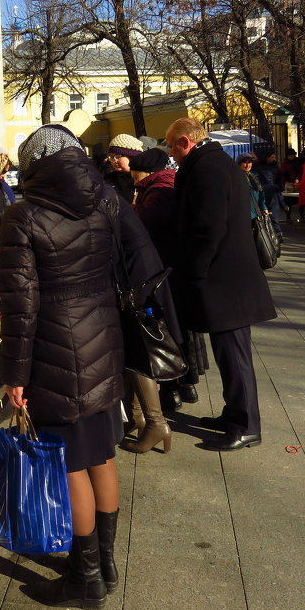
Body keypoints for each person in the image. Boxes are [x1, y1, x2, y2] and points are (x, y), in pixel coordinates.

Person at [0, 124, 166, 609]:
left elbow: (20, 305)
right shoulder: (106, 200)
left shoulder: (23, 215)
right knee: (100, 452)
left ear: (31, 167)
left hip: (55, 346)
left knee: (70, 462)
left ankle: (85, 577)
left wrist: (15, 374)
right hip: (103, 337)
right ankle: (105, 563)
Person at [165, 117, 276, 452]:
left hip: (224, 281)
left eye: (172, 145)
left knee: (235, 354)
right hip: (226, 279)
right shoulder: (211, 163)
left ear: (185, 141)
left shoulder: (208, 168)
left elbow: (208, 227)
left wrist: (195, 270)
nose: (171, 152)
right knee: (229, 354)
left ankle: (246, 425)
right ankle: (233, 414)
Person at [124, 146, 201, 438]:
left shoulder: (159, 191)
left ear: (143, 172)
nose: (132, 180)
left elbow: (142, 225)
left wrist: (132, 208)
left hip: (160, 272)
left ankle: (166, 402)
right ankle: (161, 406)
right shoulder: (163, 186)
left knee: (158, 336)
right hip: (164, 270)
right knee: (163, 334)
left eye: (135, 174)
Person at [103, 133, 144, 204]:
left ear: (131, 157)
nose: (114, 161)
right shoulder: (108, 179)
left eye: (118, 156)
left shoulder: (142, 179)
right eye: (112, 157)